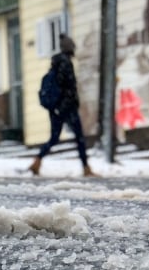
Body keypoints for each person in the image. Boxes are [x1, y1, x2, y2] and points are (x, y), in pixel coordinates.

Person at [28, 34, 98, 177]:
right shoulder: (66, 64)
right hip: (66, 107)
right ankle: (86, 168)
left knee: (54, 138)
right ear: (70, 48)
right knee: (79, 138)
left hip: (56, 107)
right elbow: (68, 87)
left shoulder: (56, 63)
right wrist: (69, 103)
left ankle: (37, 160)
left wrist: (58, 106)